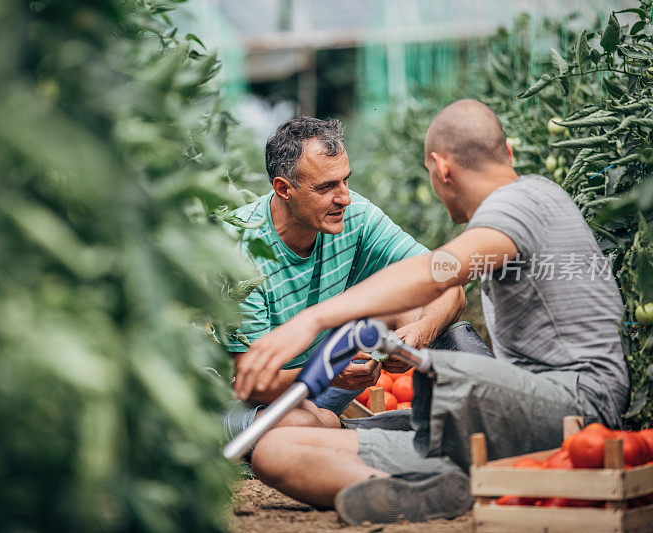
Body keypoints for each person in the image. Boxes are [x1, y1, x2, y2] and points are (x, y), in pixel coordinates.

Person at [232, 100, 629, 525]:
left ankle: (453, 474)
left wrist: (315, 319)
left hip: (576, 407)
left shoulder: (521, 203)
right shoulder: (531, 200)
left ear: (441, 169)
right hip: (531, 409)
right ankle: (421, 488)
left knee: (449, 355)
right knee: (276, 450)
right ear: (507, 152)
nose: (344, 197)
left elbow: (436, 271)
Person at [223, 116, 465, 440]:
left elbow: (448, 282)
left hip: (318, 384)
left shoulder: (355, 217)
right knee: (303, 423)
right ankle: (360, 431)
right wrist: (330, 374)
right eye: (326, 187)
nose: (344, 198)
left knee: (417, 308)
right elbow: (254, 385)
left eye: (345, 181)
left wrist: (421, 330)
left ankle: (478, 418)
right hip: (248, 403)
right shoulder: (241, 251)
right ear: (283, 189)